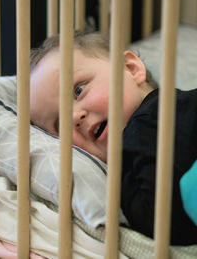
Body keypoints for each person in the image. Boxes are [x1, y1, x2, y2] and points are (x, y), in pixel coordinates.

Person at [30, 31, 197, 246]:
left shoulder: (145, 122)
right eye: (59, 124)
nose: (74, 117)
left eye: (79, 90)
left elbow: (162, 222)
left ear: (130, 68)